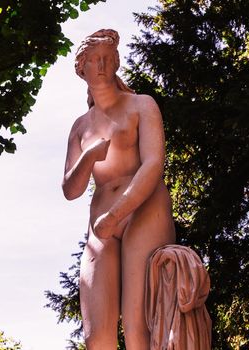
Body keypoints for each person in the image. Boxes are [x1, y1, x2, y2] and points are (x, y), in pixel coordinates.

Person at [62, 29, 176, 349]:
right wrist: (87, 157)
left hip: (144, 208)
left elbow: (154, 164)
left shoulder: (141, 105)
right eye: (93, 60)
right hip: (100, 225)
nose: (100, 65)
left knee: (139, 324)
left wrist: (117, 213)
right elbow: (71, 189)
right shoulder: (81, 127)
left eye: (107, 59)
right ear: (81, 68)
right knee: (95, 336)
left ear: (116, 65)